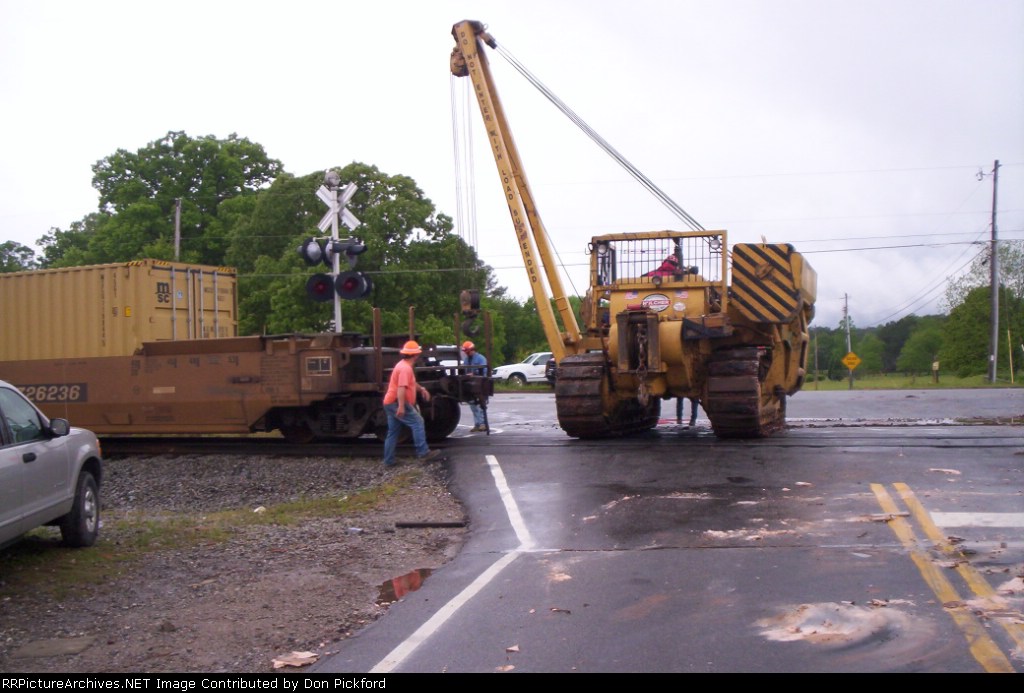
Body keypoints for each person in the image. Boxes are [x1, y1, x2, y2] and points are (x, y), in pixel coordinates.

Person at [382, 340, 443, 467]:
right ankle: (423, 452)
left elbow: (410, 383)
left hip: (389, 402)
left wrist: (422, 389)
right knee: (418, 422)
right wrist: (401, 406)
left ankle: (389, 460)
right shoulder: (405, 368)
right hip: (395, 402)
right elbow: (401, 388)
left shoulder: (403, 365)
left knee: (393, 432)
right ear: (416, 355)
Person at [462, 340, 488, 432]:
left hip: (481, 385)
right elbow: (465, 371)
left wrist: (474, 374)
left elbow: (484, 372)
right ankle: (477, 424)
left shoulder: (481, 359)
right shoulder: (466, 360)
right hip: (471, 386)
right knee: (473, 405)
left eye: (467, 351)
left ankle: (483, 424)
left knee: (481, 405)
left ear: (472, 349)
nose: (466, 353)